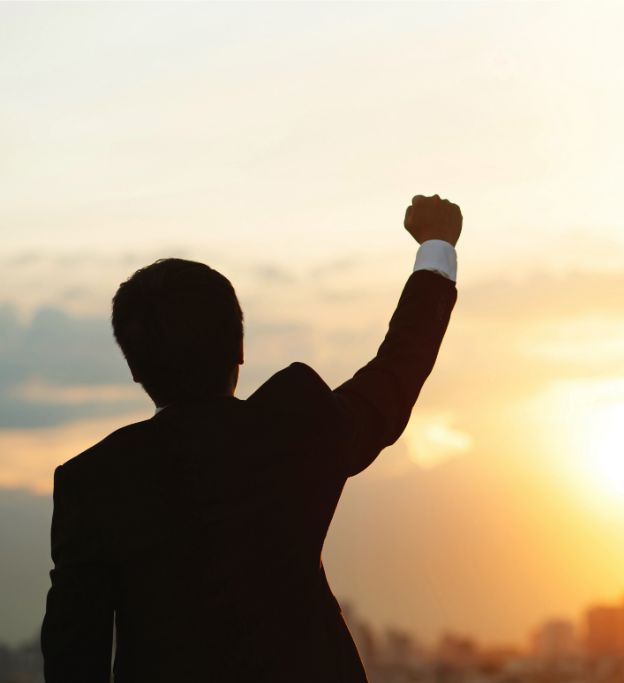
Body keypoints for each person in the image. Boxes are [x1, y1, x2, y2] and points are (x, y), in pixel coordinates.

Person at [40, 194, 462, 682]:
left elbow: (73, 656)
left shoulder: (91, 482)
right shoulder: (294, 427)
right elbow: (394, 373)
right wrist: (437, 246)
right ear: (239, 347)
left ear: (134, 368)